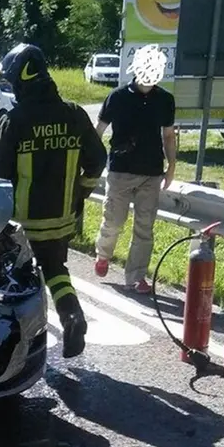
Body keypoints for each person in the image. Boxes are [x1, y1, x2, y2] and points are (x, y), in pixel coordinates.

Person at [0, 43, 107, 359]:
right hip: (61, 219)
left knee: (12, 279)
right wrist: (80, 194)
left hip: (22, 224)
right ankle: (73, 316)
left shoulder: (14, 121)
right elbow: (97, 159)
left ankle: (17, 349)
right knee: (56, 270)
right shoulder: (75, 115)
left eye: (12, 83)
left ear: (24, 80)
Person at [93, 44, 177, 293]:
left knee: (144, 228)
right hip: (120, 170)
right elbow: (98, 131)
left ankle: (136, 277)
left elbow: (169, 136)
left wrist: (172, 165)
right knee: (113, 221)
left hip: (151, 172)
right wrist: (91, 161)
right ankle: (103, 254)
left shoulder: (165, 100)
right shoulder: (117, 97)